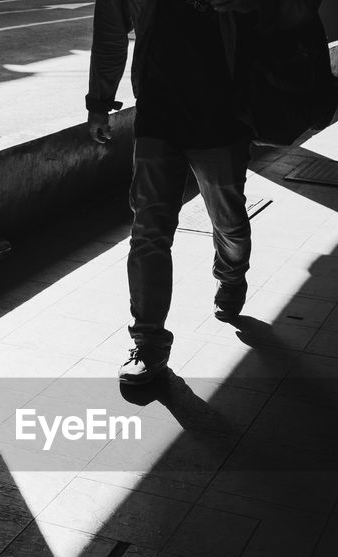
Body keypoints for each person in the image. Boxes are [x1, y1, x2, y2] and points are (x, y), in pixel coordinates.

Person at [86, 0, 264, 385]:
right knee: (149, 229)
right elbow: (110, 31)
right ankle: (148, 342)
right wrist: (100, 102)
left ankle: (231, 274)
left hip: (223, 111)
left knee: (228, 217)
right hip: (157, 111)